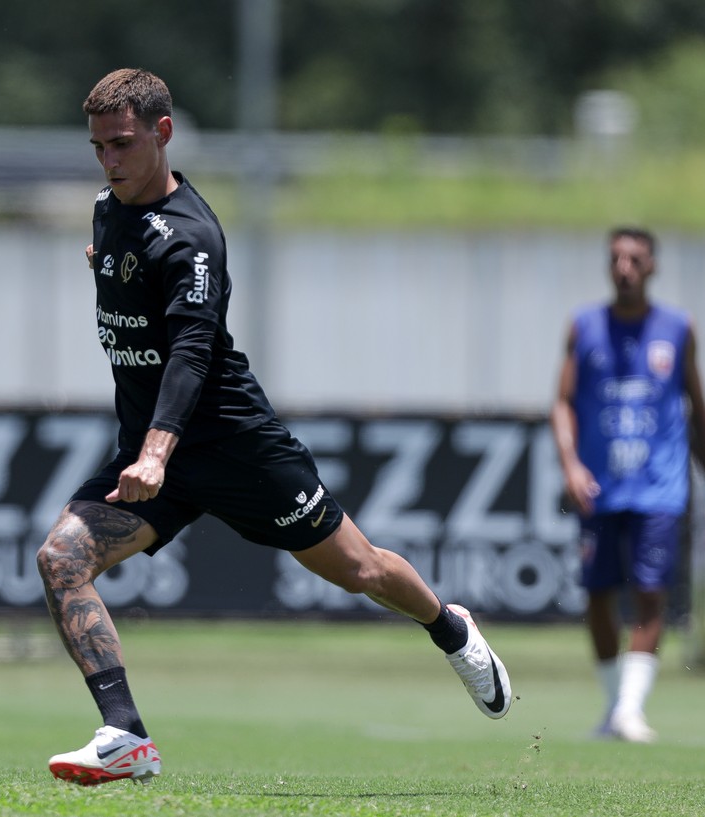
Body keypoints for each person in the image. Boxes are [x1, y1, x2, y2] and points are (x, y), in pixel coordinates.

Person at [36, 68, 512, 787]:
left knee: (361, 570)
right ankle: (125, 734)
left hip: (233, 446)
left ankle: (449, 627)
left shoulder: (192, 239)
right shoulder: (108, 210)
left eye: (122, 144)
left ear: (163, 134)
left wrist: (158, 451)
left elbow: (193, 353)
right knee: (60, 559)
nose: (109, 160)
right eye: (98, 146)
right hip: (152, 457)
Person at [550, 226, 705, 743]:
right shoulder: (583, 327)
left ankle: (629, 708)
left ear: (651, 267)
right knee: (597, 593)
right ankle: (615, 707)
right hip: (600, 486)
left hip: (660, 487)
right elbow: (561, 402)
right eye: (615, 259)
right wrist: (571, 465)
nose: (624, 267)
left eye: (634, 259)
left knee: (651, 593)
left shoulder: (677, 327)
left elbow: (701, 412)